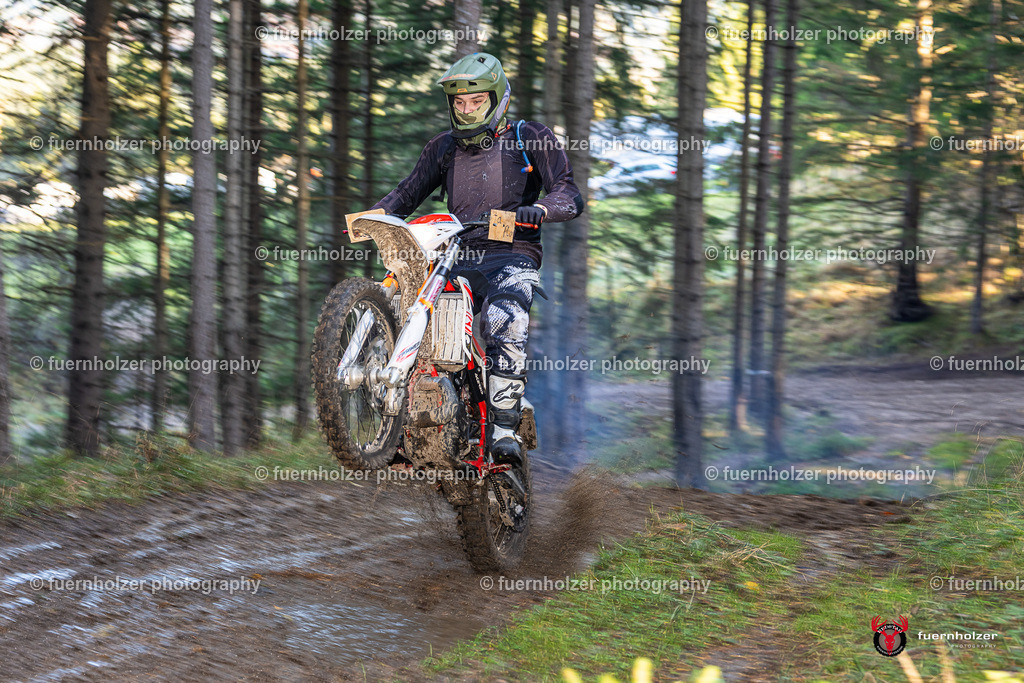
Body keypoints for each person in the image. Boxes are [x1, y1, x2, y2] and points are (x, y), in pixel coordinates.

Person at [369, 52, 584, 465]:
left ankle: (504, 429)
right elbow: (406, 194)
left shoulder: (529, 136)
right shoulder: (442, 148)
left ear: (497, 97)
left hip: (512, 253)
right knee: (407, 315)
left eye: (476, 101)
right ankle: (400, 426)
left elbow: (569, 194)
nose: (466, 110)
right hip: (455, 253)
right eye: (459, 103)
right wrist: (374, 217)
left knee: (505, 316)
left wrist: (539, 209)